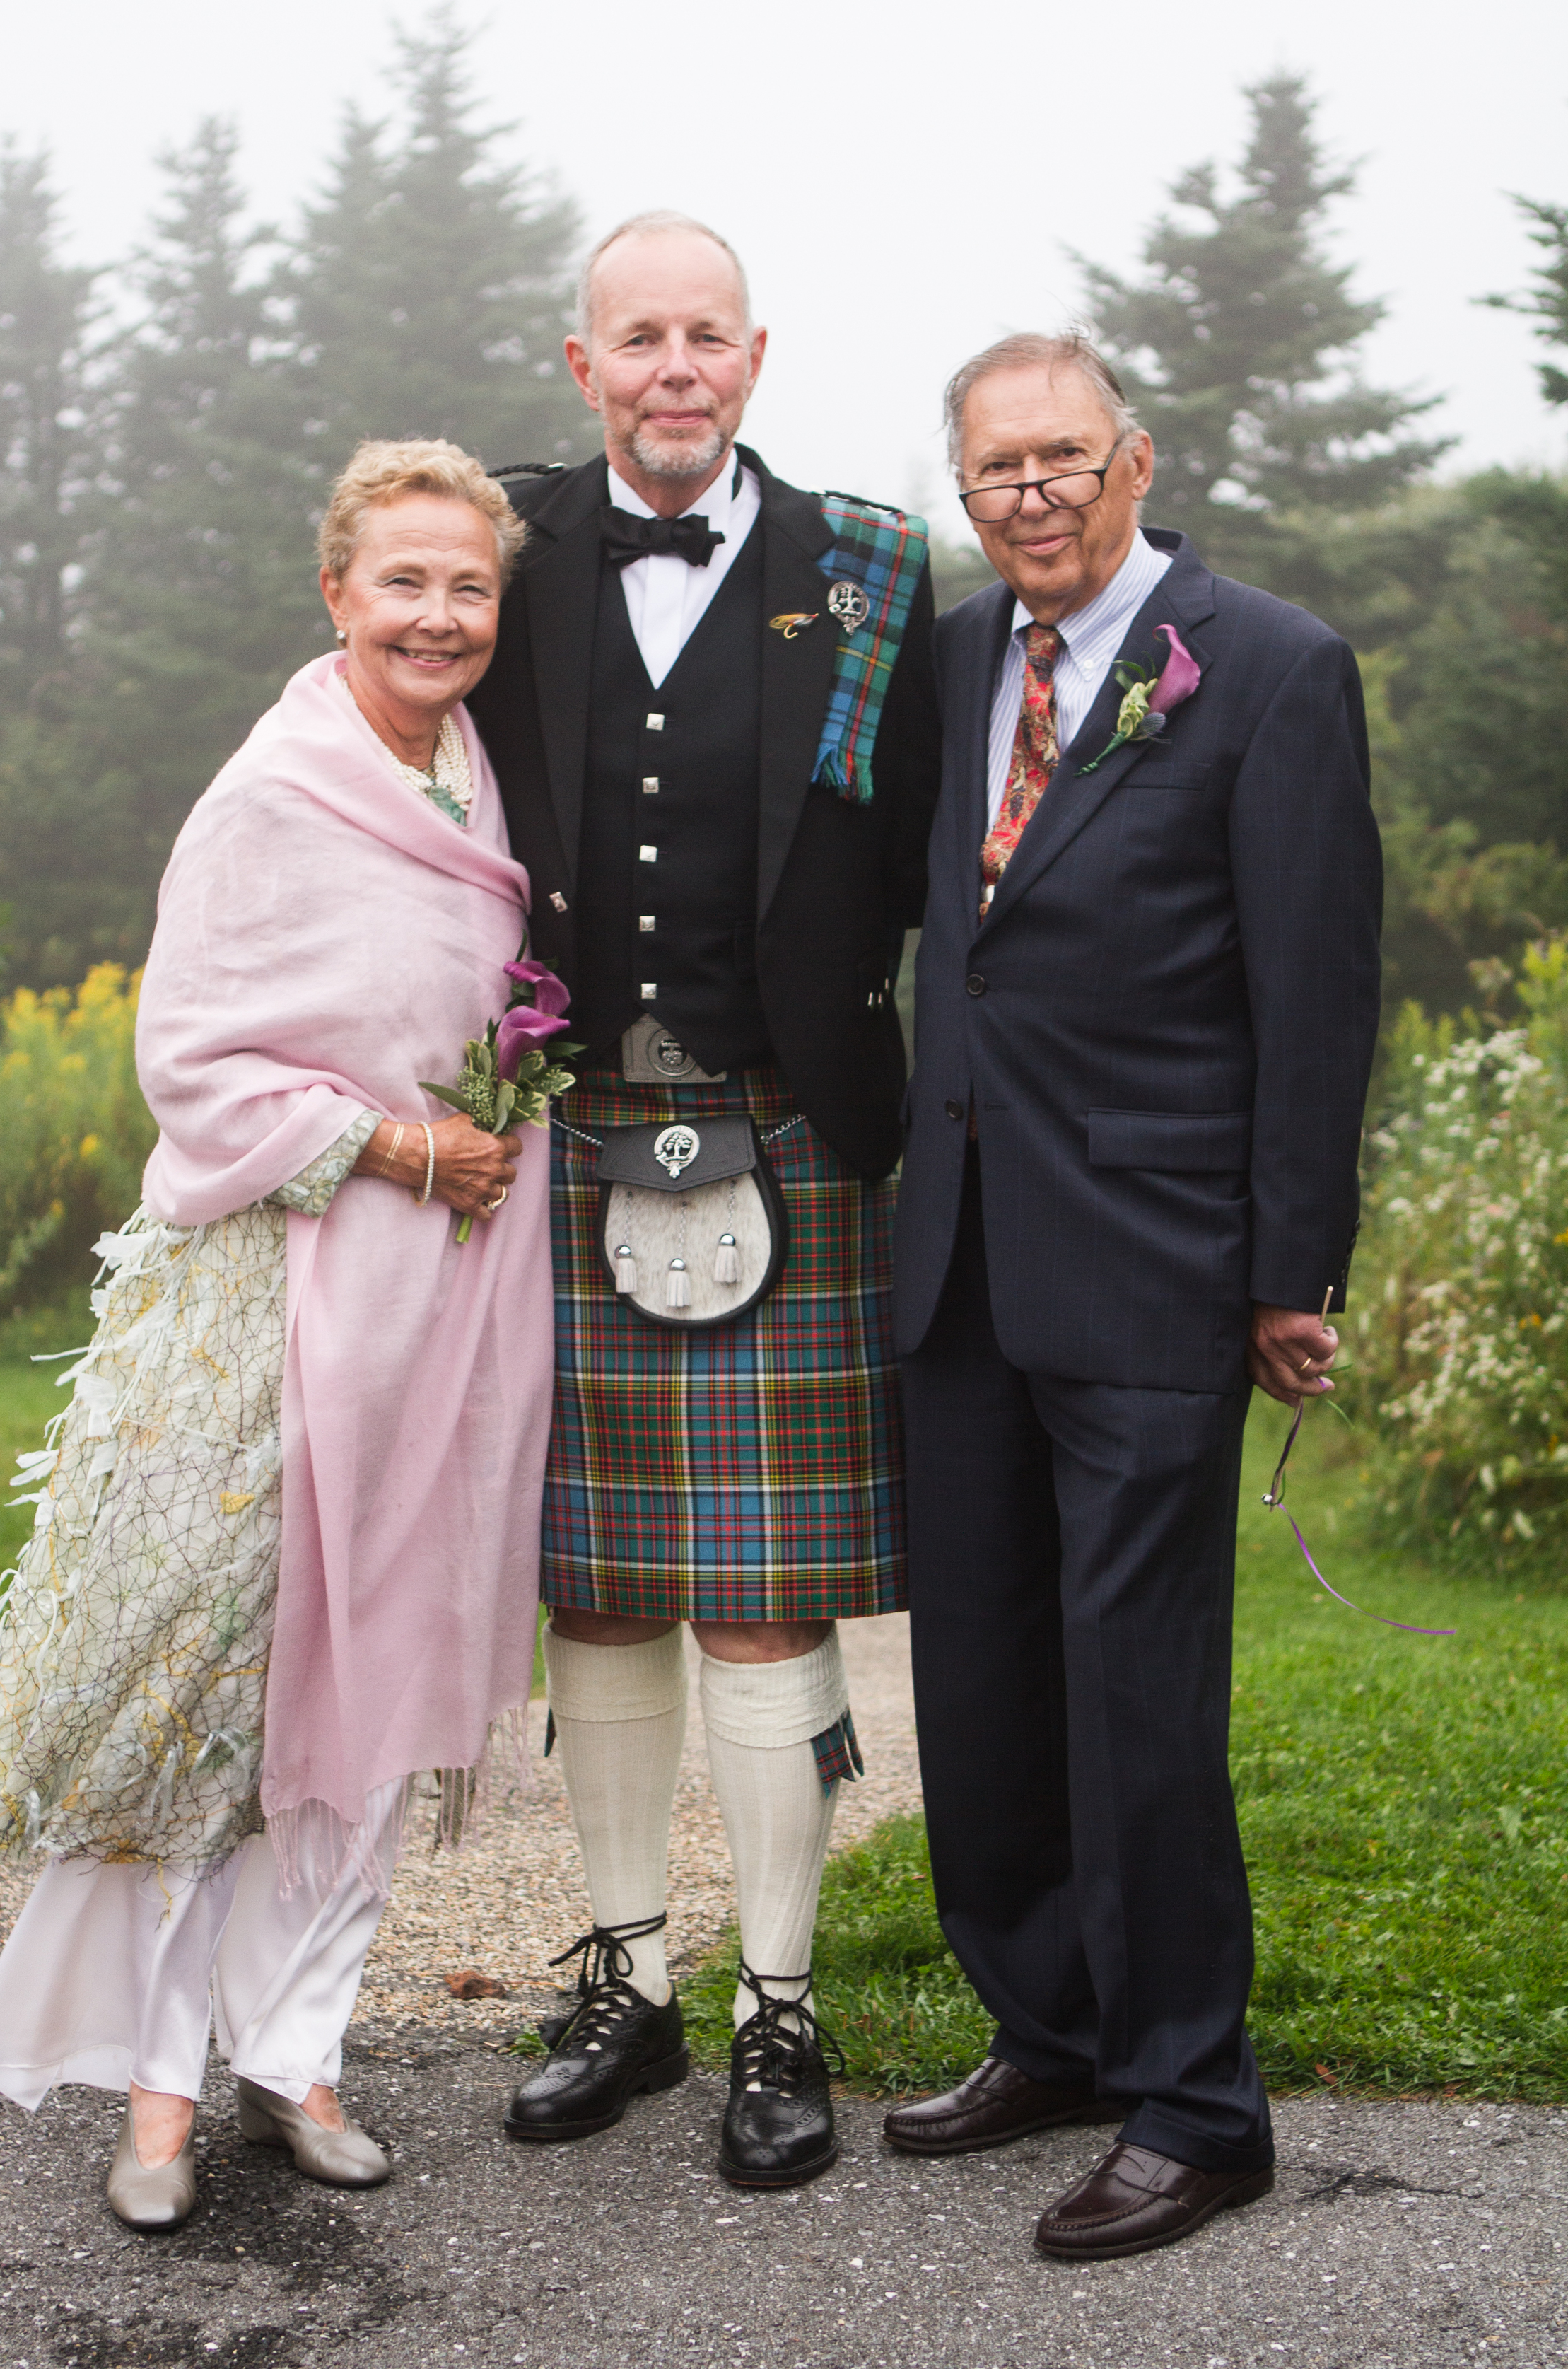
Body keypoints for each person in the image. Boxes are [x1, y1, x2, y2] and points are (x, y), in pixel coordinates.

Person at [0, 441, 554, 2231]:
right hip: (277, 1299)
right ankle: (154, 2089)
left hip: (448, 1294)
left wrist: (468, 1146)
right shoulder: (273, 793)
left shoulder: (471, 779)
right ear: (336, 591)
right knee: (233, 1695)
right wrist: (390, 1140)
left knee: (380, 1685)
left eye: (469, 590)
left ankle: (302, 2048)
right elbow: (190, 1058)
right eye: (405, 583)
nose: (437, 617)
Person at [885, 333, 1381, 2260]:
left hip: (1162, 1259)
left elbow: (1312, 987)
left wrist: (1288, 1266)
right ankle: (1054, 2027)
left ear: (1132, 460)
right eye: (992, 463)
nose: (1027, 490)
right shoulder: (947, 659)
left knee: (1137, 1692)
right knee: (986, 1673)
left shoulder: (1262, 666)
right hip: (966, 1255)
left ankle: (1195, 2097)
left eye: (1060, 458)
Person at [468, 211, 938, 2187]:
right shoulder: (501, 549)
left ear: (754, 357)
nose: (672, 365)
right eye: (634, 336)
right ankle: (625, 1981)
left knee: (759, 1597)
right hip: (573, 1131)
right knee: (598, 1587)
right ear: (582, 364)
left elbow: (927, 851)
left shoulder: (869, 568)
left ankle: (775, 2003)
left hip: (788, 1123)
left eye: (705, 335)